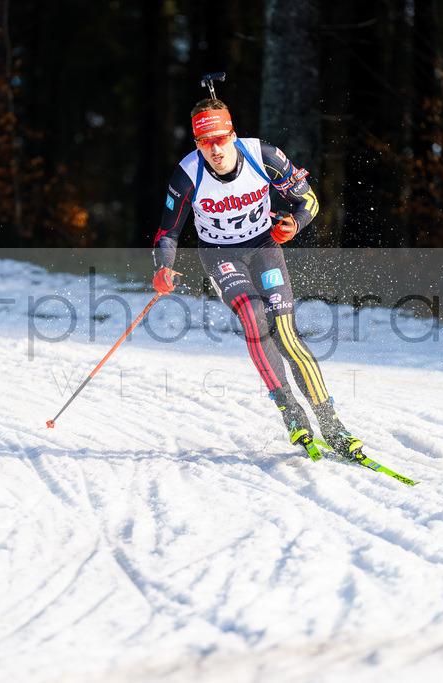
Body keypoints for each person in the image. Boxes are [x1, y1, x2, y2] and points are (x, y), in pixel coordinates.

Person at [151, 97, 363, 460]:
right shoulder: (187, 174)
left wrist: (294, 225)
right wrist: (163, 267)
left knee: (285, 334)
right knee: (252, 315)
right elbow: (167, 232)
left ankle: (332, 425)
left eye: (220, 138)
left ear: (232, 134)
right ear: (196, 143)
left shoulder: (263, 156)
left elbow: (308, 200)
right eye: (205, 142)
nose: (215, 149)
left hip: (265, 246)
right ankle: (292, 414)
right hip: (220, 255)